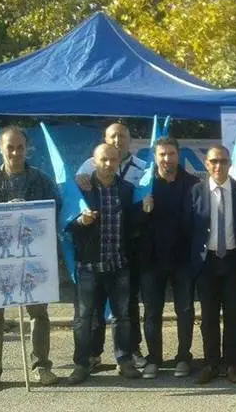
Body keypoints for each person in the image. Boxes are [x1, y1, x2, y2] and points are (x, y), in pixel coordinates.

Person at [0, 126, 60, 391]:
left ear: (26, 147)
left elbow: (56, 210)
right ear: (0, 149)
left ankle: (42, 366)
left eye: (20, 146)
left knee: (38, 313)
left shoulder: (41, 180)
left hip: (32, 258)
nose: (16, 152)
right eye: (10, 147)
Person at [67, 144, 150, 385]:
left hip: (118, 264)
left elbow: (133, 224)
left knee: (122, 317)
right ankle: (81, 364)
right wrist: (80, 221)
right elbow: (67, 222)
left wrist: (144, 211)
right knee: (83, 318)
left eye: (113, 160)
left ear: (118, 162)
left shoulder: (126, 189)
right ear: (94, 161)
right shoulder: (81, 188)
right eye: (104, 159)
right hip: (88, 266)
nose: (108, 164)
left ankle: (124, 361)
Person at [185, 145, 236, 384]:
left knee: (235, 315)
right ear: (206, 164)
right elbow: (187, 230)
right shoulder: (195, 192)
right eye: (213, 161)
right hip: (207, 263)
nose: (218, 165)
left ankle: (232, 363)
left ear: (229, 164)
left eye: (223, 161)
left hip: (234, 261)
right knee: (209, 317)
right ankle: (211, 363)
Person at [137, 137, 200, 379]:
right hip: (151, 260)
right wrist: (141, 211)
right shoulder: (144, 185)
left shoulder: (193, 184)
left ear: (178, 155)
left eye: (171, 154)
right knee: (152, 312)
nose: (166, 159)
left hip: (183, 260)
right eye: (162, 155)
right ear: (155, 158)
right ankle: (154, 358)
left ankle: (183, 357)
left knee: (185, 311)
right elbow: (132, 222)